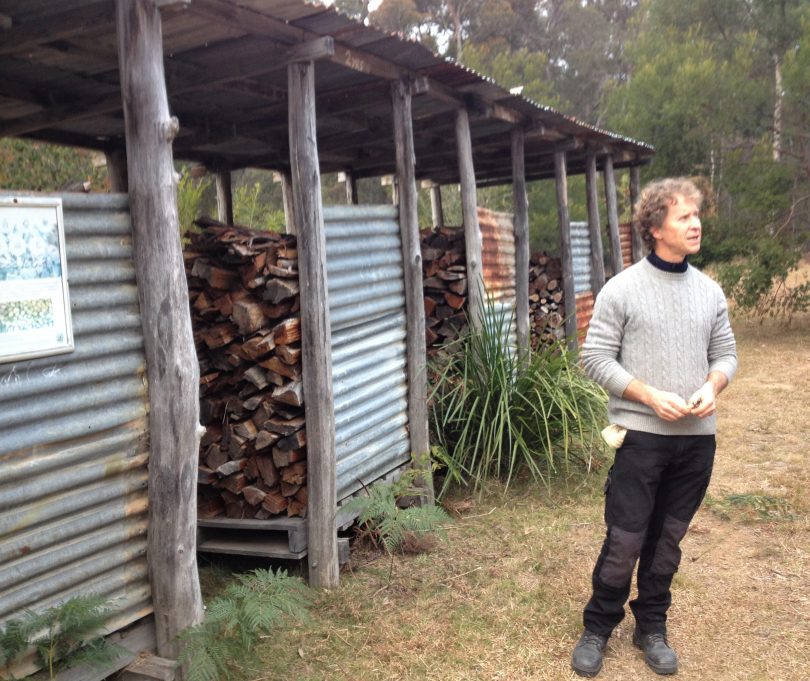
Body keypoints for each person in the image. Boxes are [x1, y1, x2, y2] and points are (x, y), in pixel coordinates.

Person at [571, 177, 738, 677]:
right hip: (640, 441)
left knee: (667, 541)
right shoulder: (621, 290)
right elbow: (594, 358)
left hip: (696, 444)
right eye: (685, 216)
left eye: (697, 214)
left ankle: (651, 626)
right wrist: (647, 395)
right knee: (625, 540)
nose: (696, 223)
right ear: (654, 225)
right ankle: (598, 626)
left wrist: (713, 386)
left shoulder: (709, 292)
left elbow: (725, 354)